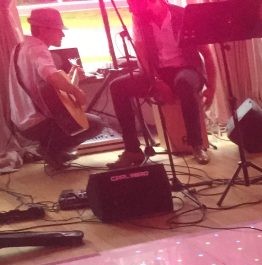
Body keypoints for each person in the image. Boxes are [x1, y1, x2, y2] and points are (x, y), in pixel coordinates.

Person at [106, 0, 216, 169]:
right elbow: (142, 56)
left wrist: (212, 87)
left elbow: (207, 54)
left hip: (186, 68)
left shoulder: (184, 15)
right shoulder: (139, 20)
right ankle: (132, 150)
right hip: (156, 72)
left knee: (185, 84)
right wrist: (156, 81)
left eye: (136, 6)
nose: (132, 11)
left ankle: (196, 144)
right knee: (117, 87)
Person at [7, 8, 104, 169]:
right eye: (59, 30)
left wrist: (73, 77)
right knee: (96, 123)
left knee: (80, 119)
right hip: (36, 122)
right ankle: (52, 149)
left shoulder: (21, 46)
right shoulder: (39, 49)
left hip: (20, 121)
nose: (63, 35)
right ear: (45, 29)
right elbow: (51, 76)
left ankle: (52, 148)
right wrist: (76, 91)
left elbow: (47, 87)